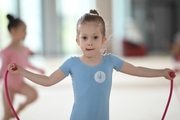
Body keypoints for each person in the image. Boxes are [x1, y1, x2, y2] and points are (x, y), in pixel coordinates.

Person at [7, 10, 175, 120]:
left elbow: (137, 70)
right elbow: (48, 80)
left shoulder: (110, 61)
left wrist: (162, 72)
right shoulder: (72, 63)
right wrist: (22, 71)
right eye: (84, 38)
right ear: (77, 41)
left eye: (95, 37)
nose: (89, 42)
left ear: (103, 40)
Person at [0, 14, 44, 120]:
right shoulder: (6, 51)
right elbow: (3, 69)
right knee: (6, 115)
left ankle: (20, 108)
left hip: (20, 84)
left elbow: (26, 64)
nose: (26, 33)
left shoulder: (25, 49)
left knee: (34, 95)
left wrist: (38, 69)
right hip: (8, 86)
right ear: (14, 31)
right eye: (24, 30)